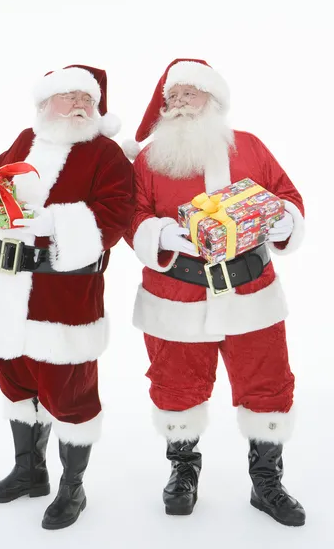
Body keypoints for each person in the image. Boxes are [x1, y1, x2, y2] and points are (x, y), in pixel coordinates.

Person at [0, 64, 134, 530]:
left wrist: (54, 224)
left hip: (61, 300)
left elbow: (115, 216)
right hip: (0, 291)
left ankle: (73, 487)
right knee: (15, 383)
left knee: (69, 396)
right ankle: (30, 472)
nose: (77, 104)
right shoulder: (21, 141)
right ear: (42, 105)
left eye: (85, 99)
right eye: (67, 96)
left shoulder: (106, 154)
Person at [123, 58, 305, 526]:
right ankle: (183, 471)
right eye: (173, 96)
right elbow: (133, 214)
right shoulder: (148, 159)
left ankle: (267, 481)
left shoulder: (250, 147)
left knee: (267, 385)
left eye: (190, 93)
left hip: (251, 294)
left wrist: (286, 219)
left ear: (214, 99)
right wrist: (158, 235)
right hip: (175, 296)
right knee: (176, 388)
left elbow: (287, 194)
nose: (181, 102)